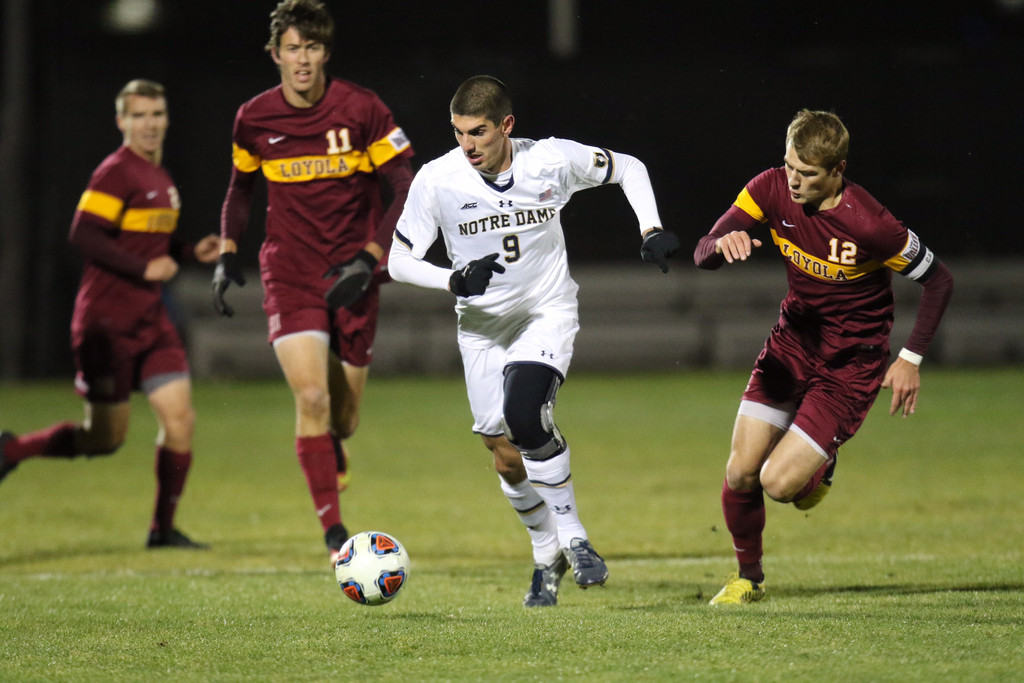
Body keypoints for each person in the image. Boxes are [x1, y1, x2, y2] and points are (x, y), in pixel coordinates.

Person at [388, 75, 680, 607]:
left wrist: (650, 228)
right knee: (504, 456)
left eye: (478, 132)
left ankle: (574, 538)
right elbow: (399, 260)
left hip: (545, 311)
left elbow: (628, 167)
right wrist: (453, 280)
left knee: (525, 415)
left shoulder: (549, 160)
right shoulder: (438, 179)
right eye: (458, 133)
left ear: (507, 125)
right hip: (482, 327)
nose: (467, 145)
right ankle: (546, 551)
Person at [694, 109, 954, 605]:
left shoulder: (872, 225)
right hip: (791, 346)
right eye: (789, 165)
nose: (793, 181)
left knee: (779, 485)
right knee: (741, 472)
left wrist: (910, 358)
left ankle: (824, 460)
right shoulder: (768, 188)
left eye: (808, 173)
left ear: (838, 170)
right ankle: (749, 579)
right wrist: (721, 246)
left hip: (849, 367)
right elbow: (703, 250)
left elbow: (939, 280)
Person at [210, 0, 414, 563]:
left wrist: (370, 257)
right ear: (275, 54)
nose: (303, 59)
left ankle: (332, 445)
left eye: (313, 48)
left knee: (343, 419)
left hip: (356, 274)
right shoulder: (254, 118)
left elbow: (407, 186)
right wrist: (227, 252)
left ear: (326, 53)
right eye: (293, 48)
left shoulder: (363, 109)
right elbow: (240, 188)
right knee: (312, 396)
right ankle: (334, 531)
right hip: (291, 273)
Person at [0, 79, 220, 548]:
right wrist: (144, 268)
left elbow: (149, 243)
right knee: (104, 438)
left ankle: (162, 529)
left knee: (180, 419)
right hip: (106, 326)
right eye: (139, 115)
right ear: (121, 121)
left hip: (151, 322)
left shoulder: (160, 177)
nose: (149, 124)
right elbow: (84, 233)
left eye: (157, 114)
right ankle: (13, 449)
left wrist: (187, 251)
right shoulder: (116, 172)